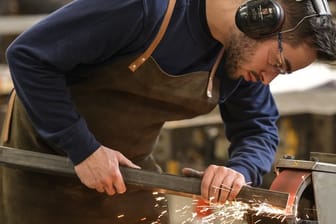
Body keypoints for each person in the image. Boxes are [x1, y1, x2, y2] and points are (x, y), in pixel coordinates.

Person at [1, 0, 335, 223]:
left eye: (282, 72)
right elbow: (29, 56)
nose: (268, 78)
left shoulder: (240, 62)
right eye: (277, 64)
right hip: (44, 161)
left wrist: (241, 170)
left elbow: (258, 126)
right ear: (259, 19)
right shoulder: (144, 9)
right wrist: (82, 149)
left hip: (128, 172)